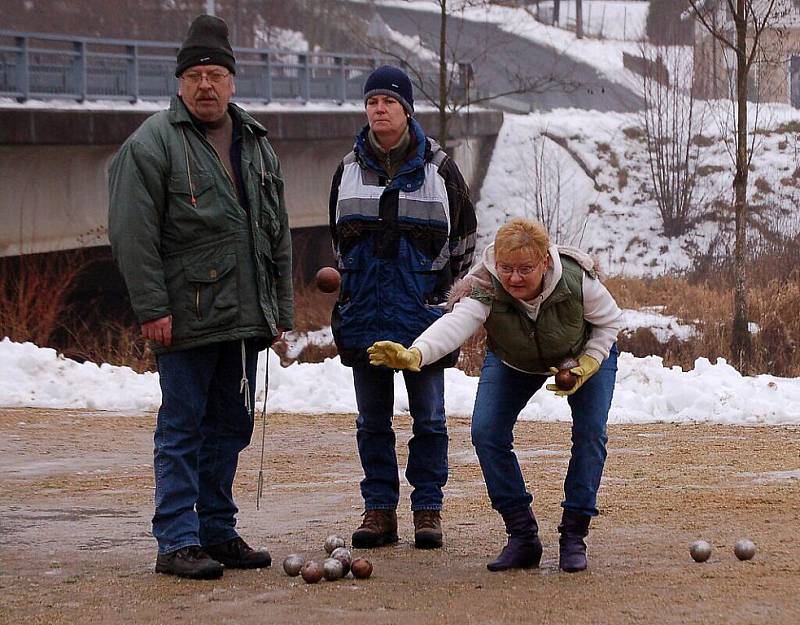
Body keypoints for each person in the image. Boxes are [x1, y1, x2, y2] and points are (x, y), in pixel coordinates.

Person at [107, 15, 293, 580]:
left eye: (215, 74)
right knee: (183, 428)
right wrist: (152, 307)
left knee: (231, 427)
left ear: (233, 81)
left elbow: (276, 233)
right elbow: (133, 235)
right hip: (185, 316)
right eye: (195, 76)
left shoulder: (256, 143)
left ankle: (216, 528)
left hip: (243, 317)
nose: (206, 85)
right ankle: (177, 539)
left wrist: (279, 312)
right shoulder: (151, 144)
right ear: (180, 83)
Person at [369, 218, 622, 572]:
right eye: (507, 268)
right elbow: (458, 322)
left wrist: (589, 363)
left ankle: (574, 535)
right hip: (512, 360)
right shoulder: (486, 284)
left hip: (582, 354)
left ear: (545, 262)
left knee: (590, 434)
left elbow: (610, 321)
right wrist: (418, 352)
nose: (514, 278)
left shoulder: (577, 280)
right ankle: (521, 535)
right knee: (486, 433)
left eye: (524, 269)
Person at [329, 65, 477, 550]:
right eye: (372, 102)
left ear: (406, 109)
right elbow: (339, 244)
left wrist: (439, 299)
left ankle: (427, 509)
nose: (379, 109)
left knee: (430, 420)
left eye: (388, 102)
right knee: (371, 422)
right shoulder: (346, 170)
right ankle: (379, 511)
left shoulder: (440, 170)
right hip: (364, 318)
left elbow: (465, 244)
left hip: (422, 322)